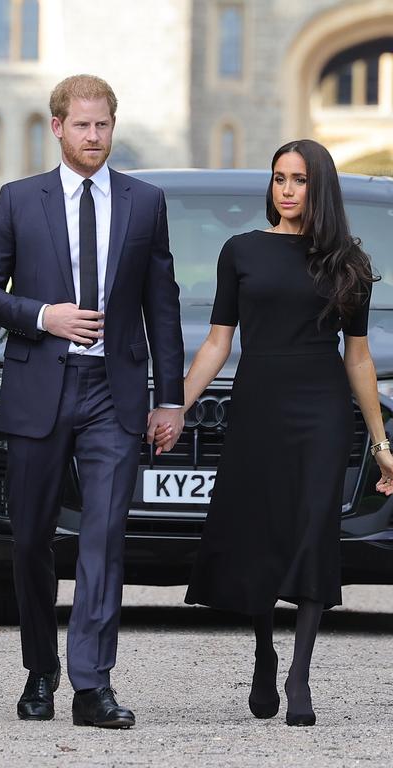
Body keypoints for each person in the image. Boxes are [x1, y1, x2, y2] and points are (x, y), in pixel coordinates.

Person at [0, 74, 185, 728]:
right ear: (56, 126)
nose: (93, 136)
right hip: (38, 389)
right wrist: (41, 315)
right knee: (30, 539)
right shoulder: (18, 201)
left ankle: (93, 684)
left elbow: (162, 309)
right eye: (82, 125)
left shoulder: (145, 203)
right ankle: (41, 668)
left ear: (113, 127)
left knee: (104, 537)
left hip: (111, 396)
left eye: (103, 125)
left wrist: (168, 399)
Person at [164, 139, 393, 726]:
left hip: (321, 409)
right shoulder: (240, 251)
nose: (286, 190)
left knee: (314, 528)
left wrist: (381, 442)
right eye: (279, 179)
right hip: (258, 403)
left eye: (299, 180)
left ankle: (299, 674)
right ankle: (265, 651)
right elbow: (219, 342)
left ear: (320, 188)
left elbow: (359, 358)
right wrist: (176, 407)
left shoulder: (349, 263)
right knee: (263, 531)